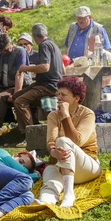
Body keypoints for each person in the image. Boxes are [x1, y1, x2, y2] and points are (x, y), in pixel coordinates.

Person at [36, 77, 101, 208]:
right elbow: (51, 141)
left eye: (64, 95)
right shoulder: (53, 115)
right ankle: (45, 201)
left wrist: (66, 115)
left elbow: (77, 140)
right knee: (49, 175)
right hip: (61, 164)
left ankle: (68, 194)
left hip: (86, 166)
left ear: (76, 98)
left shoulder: (87, 114)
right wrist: (53, 151)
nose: (59, 97)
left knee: (63, 141)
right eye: (58, 94)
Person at [13, 24, 63, 147]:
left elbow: (45, 67)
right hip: (51, 84)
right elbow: (62, 68)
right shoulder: (54, 45)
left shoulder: (44, 45)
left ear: (35, 37)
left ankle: (29, 136)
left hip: (48, 86)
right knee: (16, 96)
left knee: (20, 102)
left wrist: (26, 68)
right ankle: (35, 127)